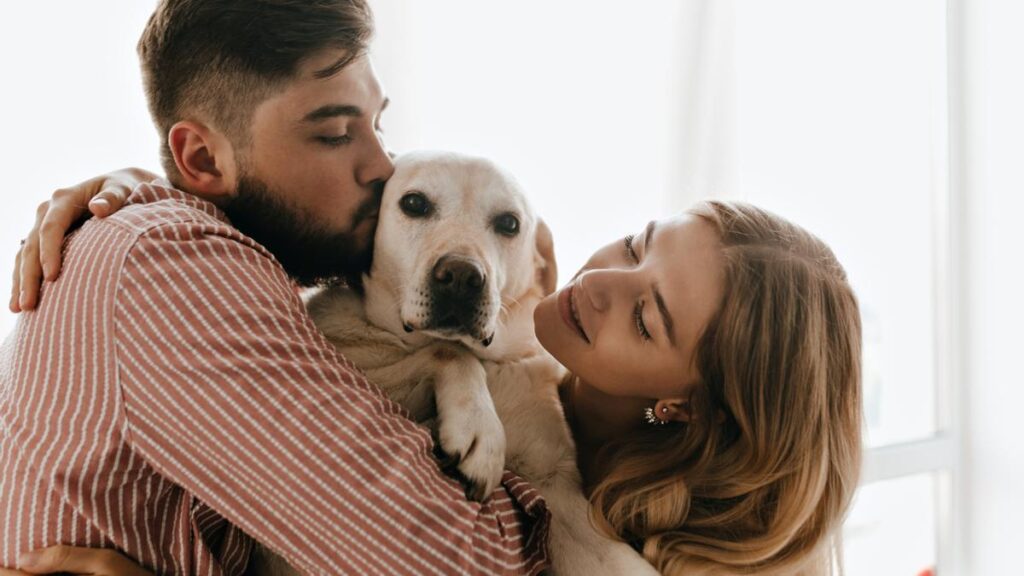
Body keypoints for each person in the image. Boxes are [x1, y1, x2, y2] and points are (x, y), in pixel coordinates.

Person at [11, 180, 864, 574]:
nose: (602, 283)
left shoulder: (733, 559)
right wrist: (150, 197)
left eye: (647, 315)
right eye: (638, 244)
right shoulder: (506, 360)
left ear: (685, 404)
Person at [0, 1, 550, 575]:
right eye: (336, 134)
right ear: (202, 158)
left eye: (377, 123)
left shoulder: (172, 243)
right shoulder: (179, 273)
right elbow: (469, 563)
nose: (382, 166)